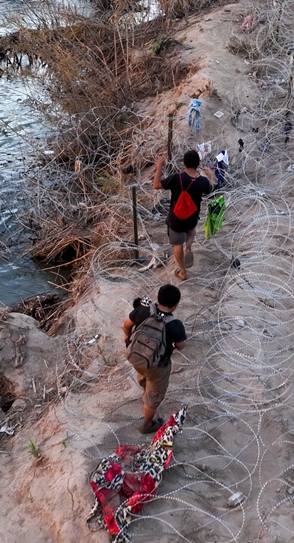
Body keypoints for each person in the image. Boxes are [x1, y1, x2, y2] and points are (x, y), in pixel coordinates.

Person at [123, 284, 188, 434]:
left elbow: (126, 325)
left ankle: (146, 388)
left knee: (144, 375)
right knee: (153, 397)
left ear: (158, 299)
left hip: (136, 356)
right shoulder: (175, 325)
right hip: (157, 365)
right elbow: (181, 346)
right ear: (176, 305)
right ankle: (147, 424)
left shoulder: (143, 310)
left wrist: (127, 337)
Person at [154, 150, 215, 280]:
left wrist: (159, 166)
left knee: (177, 245)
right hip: (192, 218)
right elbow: (210, 190)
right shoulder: (203, 181)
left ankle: (182, 271)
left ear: (184, 164)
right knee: (191, 232)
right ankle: (188, 248)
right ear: (198, 164)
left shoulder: (177, 178)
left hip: (176, 219)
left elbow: (156, 185)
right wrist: (210, 176)